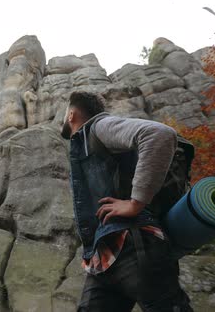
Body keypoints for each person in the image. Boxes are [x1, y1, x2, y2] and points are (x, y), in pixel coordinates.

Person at [60, 91, 192, 312]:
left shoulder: (100, 127)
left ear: (71, 114)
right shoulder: (84, 144)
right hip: (104, 259)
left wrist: (135, 203)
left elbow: (158, 134)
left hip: (135, 243)